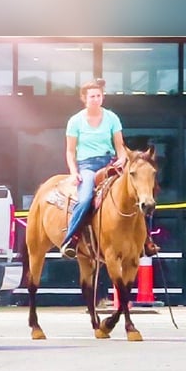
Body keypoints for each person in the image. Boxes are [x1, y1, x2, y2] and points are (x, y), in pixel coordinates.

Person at [58, 78, 127, 259]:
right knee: (86, 197)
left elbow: (120, 146)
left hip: (109, 163)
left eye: (98, 96)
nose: (95, 99)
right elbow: (70, 151)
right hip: (87, 165)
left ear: (103, 97)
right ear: (84, 98)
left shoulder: (112, 118)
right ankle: (71, 239)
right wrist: (74, 173)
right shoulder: (75, 121)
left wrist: (123, 158)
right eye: (92, 96)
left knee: (135, 190)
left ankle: (145, 241)